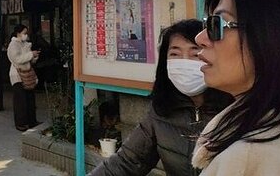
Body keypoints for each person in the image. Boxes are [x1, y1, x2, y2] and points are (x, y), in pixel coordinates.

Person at [191, 0, 280, 175]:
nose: (200, 38)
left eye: (216, 25)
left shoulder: (250, 159)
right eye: (206, 24)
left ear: (273, 36)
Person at [89, 19, 233, 176]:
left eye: (195, 53)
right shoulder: (161, 111)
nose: (184, 61)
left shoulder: (237, 109)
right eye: (175, 54)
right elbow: (126, 162)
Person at [7, 24, 41, 131]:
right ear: (18, 33)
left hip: (27, 74)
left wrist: (34, 56)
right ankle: (21, 123)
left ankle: (31, 121)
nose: (26, 35)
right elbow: (17, 59)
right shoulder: (13, 45)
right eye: (24, 33)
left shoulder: (25, 44)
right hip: (17, 75)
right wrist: (31, 54)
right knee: (20, 101)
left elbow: (28, 60)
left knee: (30, 99)